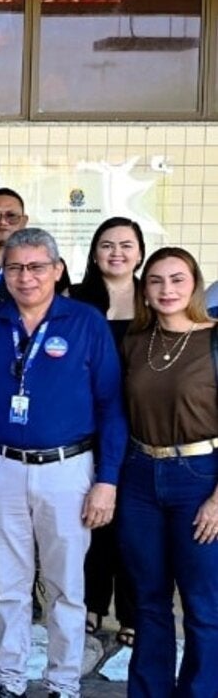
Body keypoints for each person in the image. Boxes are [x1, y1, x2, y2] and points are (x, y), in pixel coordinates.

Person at [0, 228, 125, 698]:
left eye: (35, 267)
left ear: (57, 270)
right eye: (14, 268)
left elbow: (112, 406)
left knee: (66, 587)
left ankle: (63, 685)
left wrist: (107, 480)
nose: (25, 278)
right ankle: (8, 682)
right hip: (1, 467)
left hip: (68, 469)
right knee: (7, 585)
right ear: (2, 273)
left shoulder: (85, 322)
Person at [118, 247, 218, 697]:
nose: (166, 290)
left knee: (203, 603)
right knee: (149, 601)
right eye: (156, 281)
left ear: (194, 284)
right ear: (144, 288)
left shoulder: (214, 340)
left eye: (177, 279)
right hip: (139, 478)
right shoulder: (136, 342)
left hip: (200, 478)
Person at [68, 216, 145, 646]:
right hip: (87, 424)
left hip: (142, 424)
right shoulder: (78, 301)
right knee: (91, 520)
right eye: (107, 245)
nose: (116, 253)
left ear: (139, 252)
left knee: (134, 525)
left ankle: (131, 612)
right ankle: (92, 605)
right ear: (94, 253)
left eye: (126, 245)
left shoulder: (154, 300)